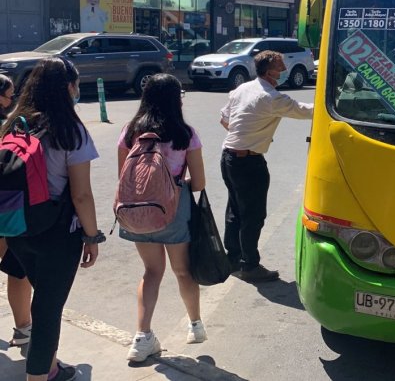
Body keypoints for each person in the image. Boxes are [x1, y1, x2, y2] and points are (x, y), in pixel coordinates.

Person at [0, 57, 101, 381]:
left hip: (16, 226)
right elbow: (81, 195)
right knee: (47, 308)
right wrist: (92, 236)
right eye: (77, 84)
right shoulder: (70, 130)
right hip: (56, 232)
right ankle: (39, 376)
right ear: (68, 88)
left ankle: (52, 365)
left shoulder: (15, 122)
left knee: (42, 295)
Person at [117, 74, 207, 362]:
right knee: (183, 271)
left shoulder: (130, 131)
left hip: (137, 211)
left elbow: (124, 176)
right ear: (175, 98)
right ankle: (195, 325)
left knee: (151, 272)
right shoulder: (185, 133)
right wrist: (175, 185)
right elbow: (200, 182)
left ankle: (142, 337)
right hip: (174, 209)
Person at [220, 50, 313, 282]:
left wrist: (245, 135)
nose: (284, 72)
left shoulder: (243, 89)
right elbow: (304, 111)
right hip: (248, 162)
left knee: (235, 211)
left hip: (229, 157)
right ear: (270, 71)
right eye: (281, 68)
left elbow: (224, 119)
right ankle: (249, 265)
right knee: (253, 215)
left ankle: (233, 259)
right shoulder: (271, 97)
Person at [0, 73, 35, 357]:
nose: (13, 99)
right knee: (16, 267)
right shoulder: (8, 127)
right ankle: (24, 330)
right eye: (10, 94)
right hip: (6, 207)